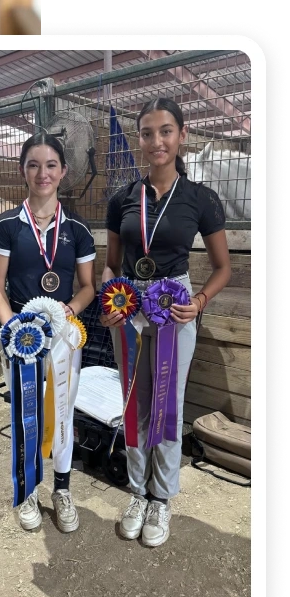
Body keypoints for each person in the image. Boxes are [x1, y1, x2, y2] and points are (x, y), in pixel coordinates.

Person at [99, 98, 231, 548]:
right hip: (131, 308)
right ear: (139, 138)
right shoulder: (121, 198)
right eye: (148, 132)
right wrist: (110, 298)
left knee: (168, 405)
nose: (157, 141)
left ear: (182, 135)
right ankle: (137, 491)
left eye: (166, 131)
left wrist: (197, 302)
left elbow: (222, 268)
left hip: (175, 309)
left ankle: (163, 497)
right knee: (135, 404)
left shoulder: (201, 199)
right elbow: (111, 264)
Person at [0, 133, 96, 533]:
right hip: (23, 341)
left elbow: (87, 287)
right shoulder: (5, 227)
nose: (42, 173)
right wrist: (12, 325)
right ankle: (29, 489)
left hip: (65, 339)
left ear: (63, 171)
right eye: (33, 165)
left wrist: (72, 310)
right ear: (23, 171)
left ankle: (62, 489)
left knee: (63, 412)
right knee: (26, 412)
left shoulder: (79, 229)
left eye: (51, 165)